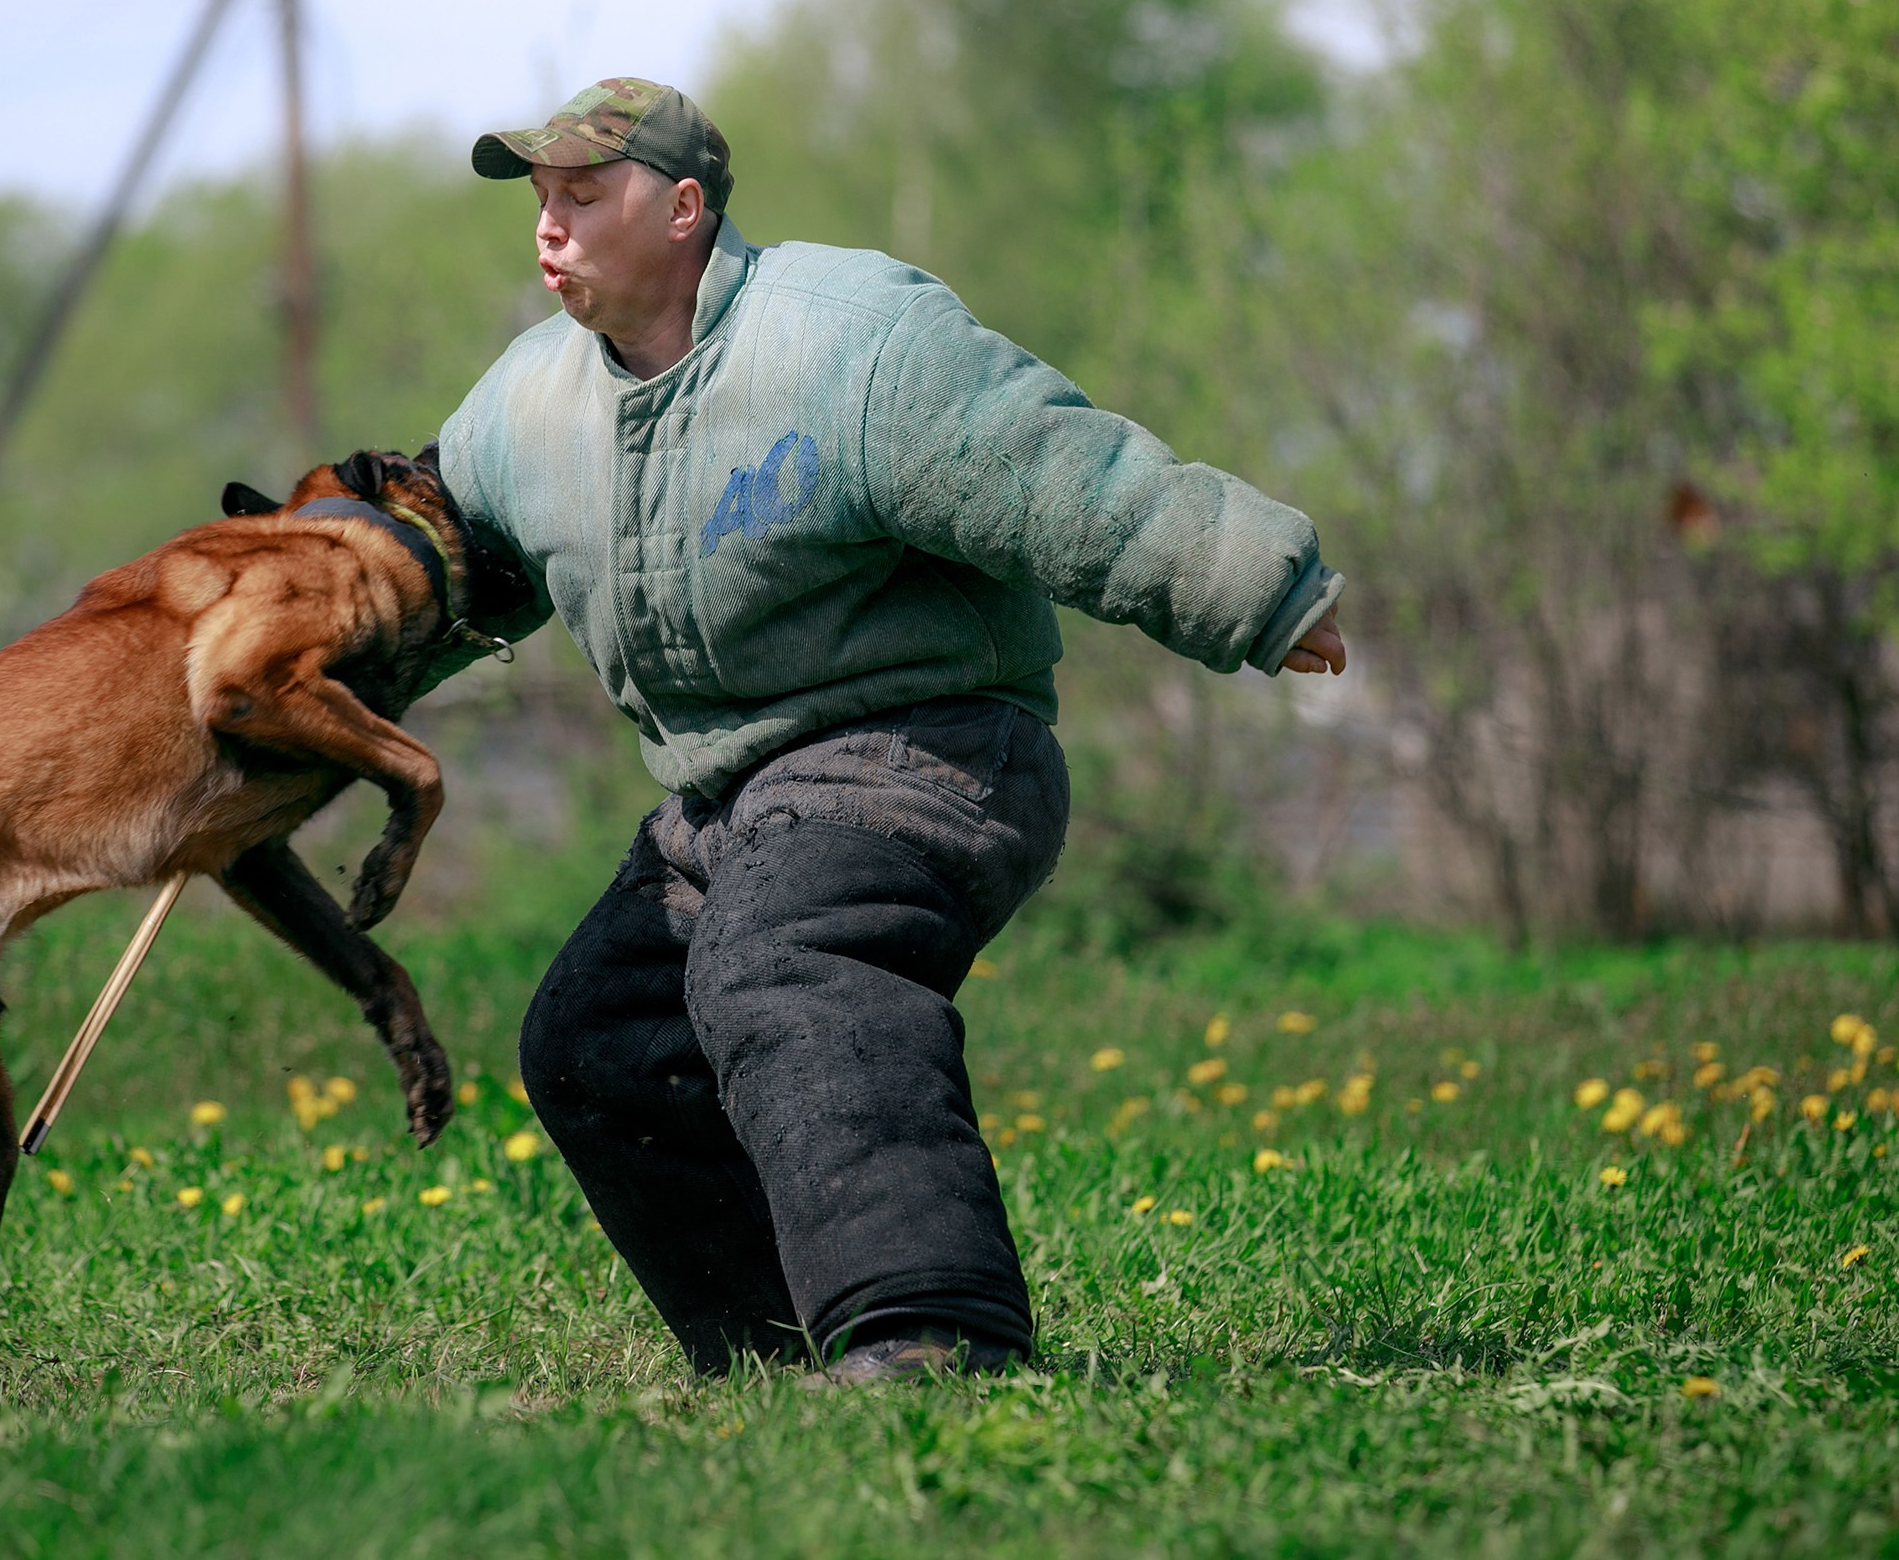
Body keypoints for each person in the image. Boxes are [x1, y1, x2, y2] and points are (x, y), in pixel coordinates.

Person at [429, 78, 1347, 1385]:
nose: (549, 226)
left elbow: (1055, 470)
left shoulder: (848, 342)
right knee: (592, 1038)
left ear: (684, 209)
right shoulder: (524, 409)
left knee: (782, 954)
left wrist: (1255, 585)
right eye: (539, 200)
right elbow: (427, 553)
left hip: (931, 755)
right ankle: (777, 1359)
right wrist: (283, 654)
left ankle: (930, 1340)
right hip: (719, 806)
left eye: (584, 194)